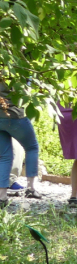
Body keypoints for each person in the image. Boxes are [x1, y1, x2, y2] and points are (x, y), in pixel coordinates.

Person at [0, 79, 42, 207]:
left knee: (5, 157)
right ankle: (30, 188)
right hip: (16, 117)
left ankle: (2, 196)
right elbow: (26, 93)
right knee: (32, 148)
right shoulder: (17, 70)